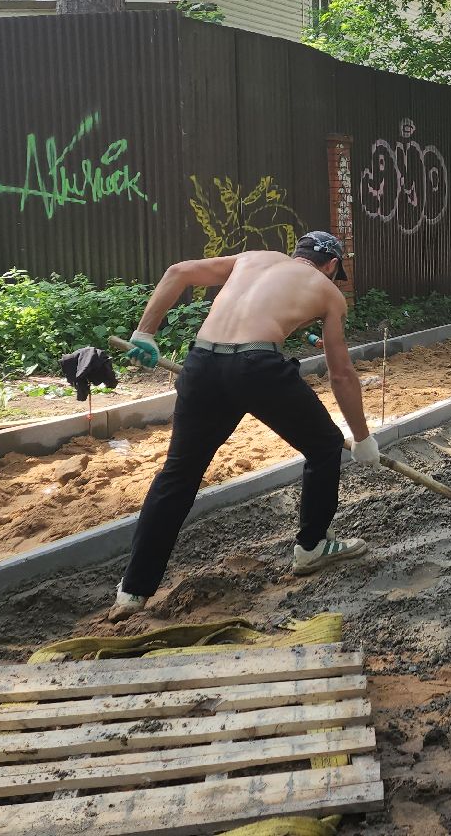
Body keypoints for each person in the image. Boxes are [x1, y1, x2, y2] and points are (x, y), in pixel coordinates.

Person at [109, 231, 380, 621]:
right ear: (332, 265)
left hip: (202, 365)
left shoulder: (254, 258)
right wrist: (363, 437)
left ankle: (133, 590)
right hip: (257, 368)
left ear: (296, 253)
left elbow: (178, 271)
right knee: (324, 447)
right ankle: (312, 547)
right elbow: (341, 375)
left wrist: (144, 333)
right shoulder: (328, 292)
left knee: (179, 475)